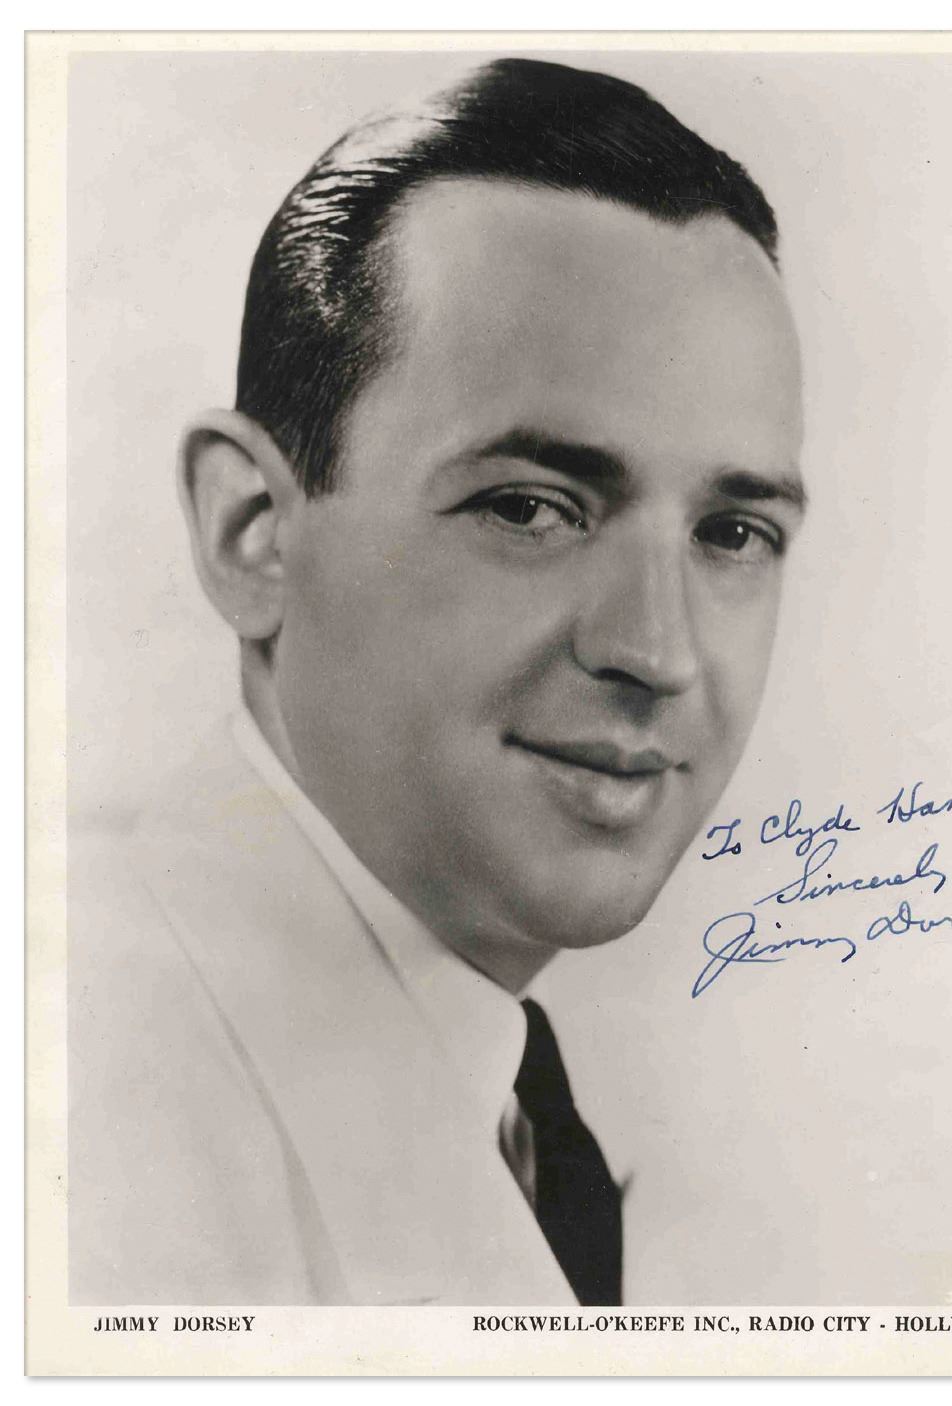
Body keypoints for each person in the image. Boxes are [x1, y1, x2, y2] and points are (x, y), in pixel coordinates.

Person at [69, 56, 805, 1306]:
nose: (658, 651)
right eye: (529, 507)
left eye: (730, 532)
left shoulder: (516, 1098)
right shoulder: (76, 1118)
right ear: (253, 531)